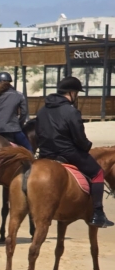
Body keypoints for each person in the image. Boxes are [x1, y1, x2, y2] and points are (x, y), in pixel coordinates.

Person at [36, 76, 113, 228]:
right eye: (77, 93)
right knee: (98, 173)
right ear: (71, 93)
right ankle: (97, 213)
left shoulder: (42, 110)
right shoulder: (71, 112)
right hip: (67, 153)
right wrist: (87, 146)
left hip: (45, 154)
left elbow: (38, 133)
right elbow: (79, 137)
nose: (77, 96)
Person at [0, 72, 31, 150]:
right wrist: (19, 124)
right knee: (29, 149)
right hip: (13, 129)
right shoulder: (19, 95)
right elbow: (24, 112)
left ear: (2, 83)